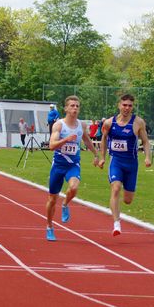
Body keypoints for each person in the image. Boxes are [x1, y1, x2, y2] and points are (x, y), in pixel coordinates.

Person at [46, 95, 99, 241]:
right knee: (51, 200)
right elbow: (51, 146)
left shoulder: (81, 125)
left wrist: (95, 154)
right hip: (58, 165)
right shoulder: (59, 125)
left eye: (77, 106)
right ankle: (49, 226)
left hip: (73, 164)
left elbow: (86, 139)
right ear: (66, 108)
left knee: (74, 187)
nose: (75, 108)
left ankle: (65, 204)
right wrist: (65, 140)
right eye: (72, 106)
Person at [98, 94, 151, 236]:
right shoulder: (109, 123)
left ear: (132, 107)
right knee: (115, 188)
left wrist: (147, 157)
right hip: (116, 161)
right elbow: (103, 140)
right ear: (119, 105)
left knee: (128, 200)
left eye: (130, 105)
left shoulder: (138, 122)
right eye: (124, 105)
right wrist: (102, 158)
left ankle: (121, 204)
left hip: (131, 164)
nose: (127, 108)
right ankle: (116, 224)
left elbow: (145, 141)